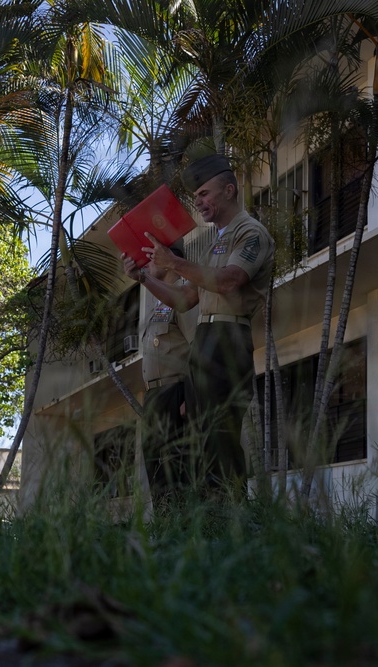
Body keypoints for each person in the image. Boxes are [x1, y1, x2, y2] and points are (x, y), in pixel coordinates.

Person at [124, 155, 274, 495]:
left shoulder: (251, 232)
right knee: (202, 446)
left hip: (228, 336)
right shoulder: (214, 243)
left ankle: (237, 522)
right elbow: (184, 299)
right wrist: (144, 277)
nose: (199, 202)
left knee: (220, 440)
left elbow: (229, 281)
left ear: (229, 190)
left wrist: (175, 261)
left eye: (205, 193)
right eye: (196, 197)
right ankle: (211, 528)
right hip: (206, 340)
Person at [125, 245, 196, 499]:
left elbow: (197, 349)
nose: (146, 265)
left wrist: (190, 397)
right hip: (154, 397)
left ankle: (184, 531)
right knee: (157, 473)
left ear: (167, 261)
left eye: (151, 259)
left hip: (175, 394)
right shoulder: (159, 306)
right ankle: (166, 532)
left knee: (175, 469)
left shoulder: (184, 299)